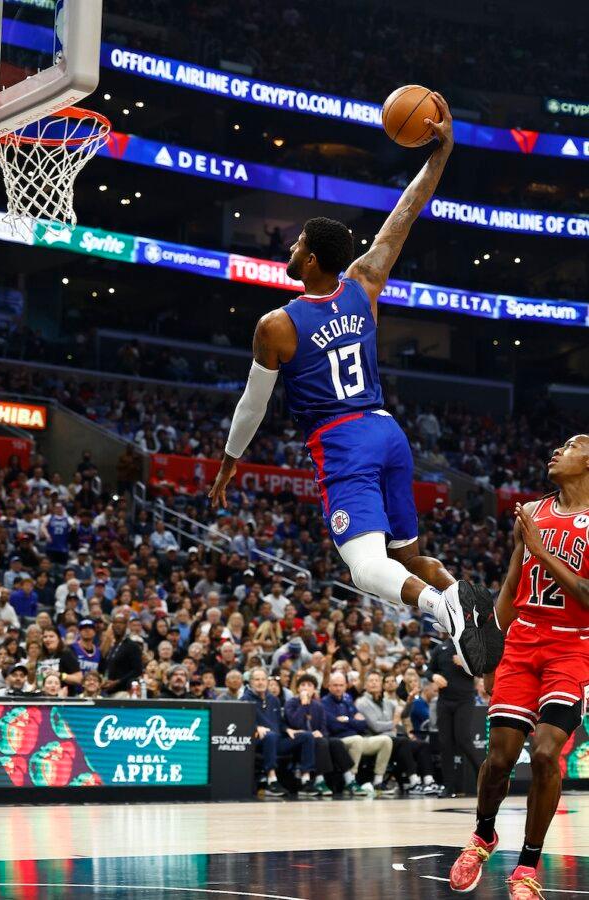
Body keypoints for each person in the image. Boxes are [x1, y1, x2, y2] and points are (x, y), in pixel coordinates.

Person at [209, 96, 501, 680]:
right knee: (406, 557)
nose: (289, 250)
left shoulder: (278, 326)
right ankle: (466, 602)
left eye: (295, 247)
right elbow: (407, 210)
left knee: (364, 568)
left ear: (311, 258)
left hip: (342, 443)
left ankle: (445, 607)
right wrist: (441, 153)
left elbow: (252, 405)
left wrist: (227, 463)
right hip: (388, 432)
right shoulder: (364, 282)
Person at [450, 435, 589, 898]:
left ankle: (527, 867)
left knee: (547, 753)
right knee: (500, 758)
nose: (556, 451)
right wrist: (491, 650)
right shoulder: (531, 511)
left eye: (571, 446)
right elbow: (512, 583)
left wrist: (542, 550)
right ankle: (483, 835)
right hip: (523, 642)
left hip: (572, 647)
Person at [356, 671, 439, 795]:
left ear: (381, 685)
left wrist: (409, 701)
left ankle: (428, 781)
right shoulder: (362, 703)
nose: (374, 683)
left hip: (394, 740)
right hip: (376, 740)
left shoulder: (386, 702)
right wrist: (393, 723)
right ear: (365, 685)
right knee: (403, 741)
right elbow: (375, 726)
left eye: (377, 680)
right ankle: (413, 782)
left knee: (422, 745)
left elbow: (404, 715)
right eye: (371, 681)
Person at [242, 666, 316, 798]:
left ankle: (306, 780)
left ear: (267, 681)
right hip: (258, 741)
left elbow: (280, 722)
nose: (260, 682)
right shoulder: (245, 700)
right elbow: (240, 723)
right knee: (269, 736)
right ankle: (272, 781)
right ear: (251, 682)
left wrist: (288, 729)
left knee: (307, 736)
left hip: (278, 740)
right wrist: (255, 727)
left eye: (263, 679)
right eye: (257, 679)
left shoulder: (274, 700)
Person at [321, 671, 392, 796]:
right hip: (339, 741)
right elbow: (333, 725)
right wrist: (353, 720)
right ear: (329, 686)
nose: (338, 688)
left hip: (357, 737)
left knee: (386, 740)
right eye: (335, 685)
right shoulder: (325, 703)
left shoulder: (348, 701)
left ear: (346, 686)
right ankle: (351, 780)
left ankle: (378, 781)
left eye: (341, 685)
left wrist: (347, 720)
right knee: (357, 740)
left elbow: (363, 724)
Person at [285, 672, 353, 797]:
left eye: (309, 685)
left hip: (316, 739)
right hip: (299, 740)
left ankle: (349, 779)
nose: (305, 688)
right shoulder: (291, 703)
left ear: (314, 689)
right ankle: (319, 780)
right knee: (320, 742)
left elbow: (324, 728)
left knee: (335, 742)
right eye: (303, 685)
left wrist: (320, 733)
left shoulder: (318, 706)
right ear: (298, 688)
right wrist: (303, 705)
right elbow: (295, 723)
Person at [429, 634, 479, 798]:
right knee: (445, 744)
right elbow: (429, 669)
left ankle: (483, 773)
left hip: (464, 700)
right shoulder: (440, 648)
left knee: (463, 739)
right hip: (444, 701)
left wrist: (465, 663)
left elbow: (481, 669)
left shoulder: (470, 645)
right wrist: (433, 676)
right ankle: (448, 786)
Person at [98, 611, 143, 697]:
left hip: (123, 691)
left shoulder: (132, 646)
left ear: (126, 626)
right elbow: (102, 668)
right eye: (115, 623)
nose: (118, 625)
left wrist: (117, 682)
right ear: (112, 625)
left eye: (121, 623)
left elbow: (137, 670)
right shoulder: (110, 646)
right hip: (106, 691)